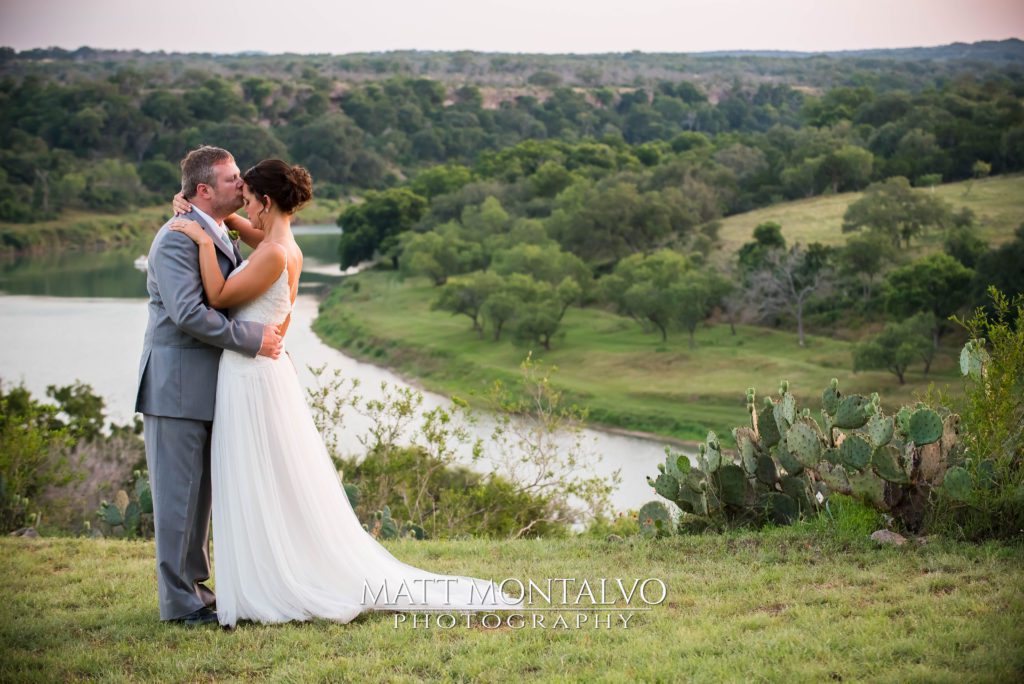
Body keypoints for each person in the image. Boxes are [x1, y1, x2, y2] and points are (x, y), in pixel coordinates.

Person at [168, 159, 523, 628]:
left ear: (267, 202)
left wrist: (198, 238)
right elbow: (240, 228)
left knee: (256, 474)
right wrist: (199, 210)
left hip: (250, 376)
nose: (245, 209)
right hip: (255, 372)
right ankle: (262, 574)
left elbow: (216, 297)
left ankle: (271, 582)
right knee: (260, 475)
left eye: (250, 201)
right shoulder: (279, 244)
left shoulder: (273, 253)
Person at [135, 145, 283, 627]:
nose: (241, 184)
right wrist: (252, 339)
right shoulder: (176, 239)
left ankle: (196, 592)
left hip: (207, 386)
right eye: (231, 178)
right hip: (175, 389)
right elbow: (188, 314)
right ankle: (180, 605)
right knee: (178, 500)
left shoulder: (215, 229)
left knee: (198, 500)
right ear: (203, 189)